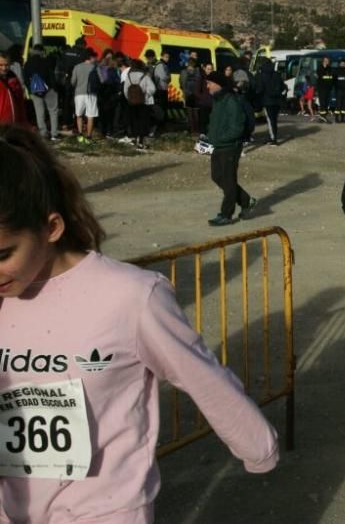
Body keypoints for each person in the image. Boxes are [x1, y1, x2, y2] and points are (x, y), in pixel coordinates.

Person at [0, 124, 278, 521]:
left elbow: (199, 373)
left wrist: (257, 444)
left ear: (51, 228)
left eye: (3, 254)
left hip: (105, 509)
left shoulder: (130, 297)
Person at [205, 72, 257, 226]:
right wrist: (208, 135)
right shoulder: (218, 100)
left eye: (209, 83)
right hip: (218, 145)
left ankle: (226, 214)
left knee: (228, 180)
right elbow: (215, 122)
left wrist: (220, 138)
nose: (207, 86)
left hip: (229, 146)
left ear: (218, 84)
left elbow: (237, 128)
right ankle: (247, 201)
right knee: (217, 176)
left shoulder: (231, 101)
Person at [23, 44, 59, 140]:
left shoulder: (28, 63)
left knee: (39, 112)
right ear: (42, 51)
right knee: (53, 111)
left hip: (35, 91)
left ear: (33, 51)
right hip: (49, 90)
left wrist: (30, 89)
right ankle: (54, 134)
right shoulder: (46, 61)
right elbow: (51, 75)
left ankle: (43, 133)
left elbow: (25, 78)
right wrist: (54, 88)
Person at [122, 58, 156, 149]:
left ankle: (134, 137)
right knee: (143, 121)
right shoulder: (145, 76)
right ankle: (141, 141)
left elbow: (125, 90)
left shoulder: (129, 76)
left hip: (132, 103)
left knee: (134, 120)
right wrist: (145, 95)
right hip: (143, 103)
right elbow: (153, 88)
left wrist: (130, 98)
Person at [69, 48, 100, 143]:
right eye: (94, 56)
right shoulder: (95, 67)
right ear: (90, 57)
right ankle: (89, 137)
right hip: (91, 94)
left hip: (79, 94)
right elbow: (100, 80)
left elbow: (72, 82)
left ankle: (80, 135)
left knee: (79, 115)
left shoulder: (77, 67)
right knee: (90, 116)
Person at [257, 57, 284, 145]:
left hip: (267, 101)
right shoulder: (277, 74)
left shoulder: (262, 75)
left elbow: (260, 89)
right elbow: (282, 87)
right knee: (274, 119)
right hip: (277, 100)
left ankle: (273, 139)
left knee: (270, 120)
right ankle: (273, 136)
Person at [0, 53, 29, 126]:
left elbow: (20, 104)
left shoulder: (14, 79)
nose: (4, 68)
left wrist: (24, 123)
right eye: (1, 65)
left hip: (13, 124)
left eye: (6, 65)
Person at [333, 57, 345, 123]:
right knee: (338, 105)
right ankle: (336, 118)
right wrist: (336, 88)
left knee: (344, 105)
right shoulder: (336, 72)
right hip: (339, 90)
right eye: (342, 63)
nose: (343, 65)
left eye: (344, 64)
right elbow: (334, 81)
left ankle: (343, 118)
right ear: (339, 64)